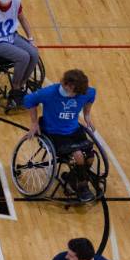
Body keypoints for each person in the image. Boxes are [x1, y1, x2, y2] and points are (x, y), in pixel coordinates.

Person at [22, 68, 97, 203]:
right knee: (78, 155)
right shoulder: (49, 92)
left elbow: (91, 95)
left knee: (90, 156)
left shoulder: (85, 92)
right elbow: (29, 100)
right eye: (74, 92)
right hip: (53, 132)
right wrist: (34, 122)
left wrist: (87, 115)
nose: (76, 95)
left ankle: (73, 177)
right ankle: (82, 186)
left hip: (73, 129)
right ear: (66, 85)